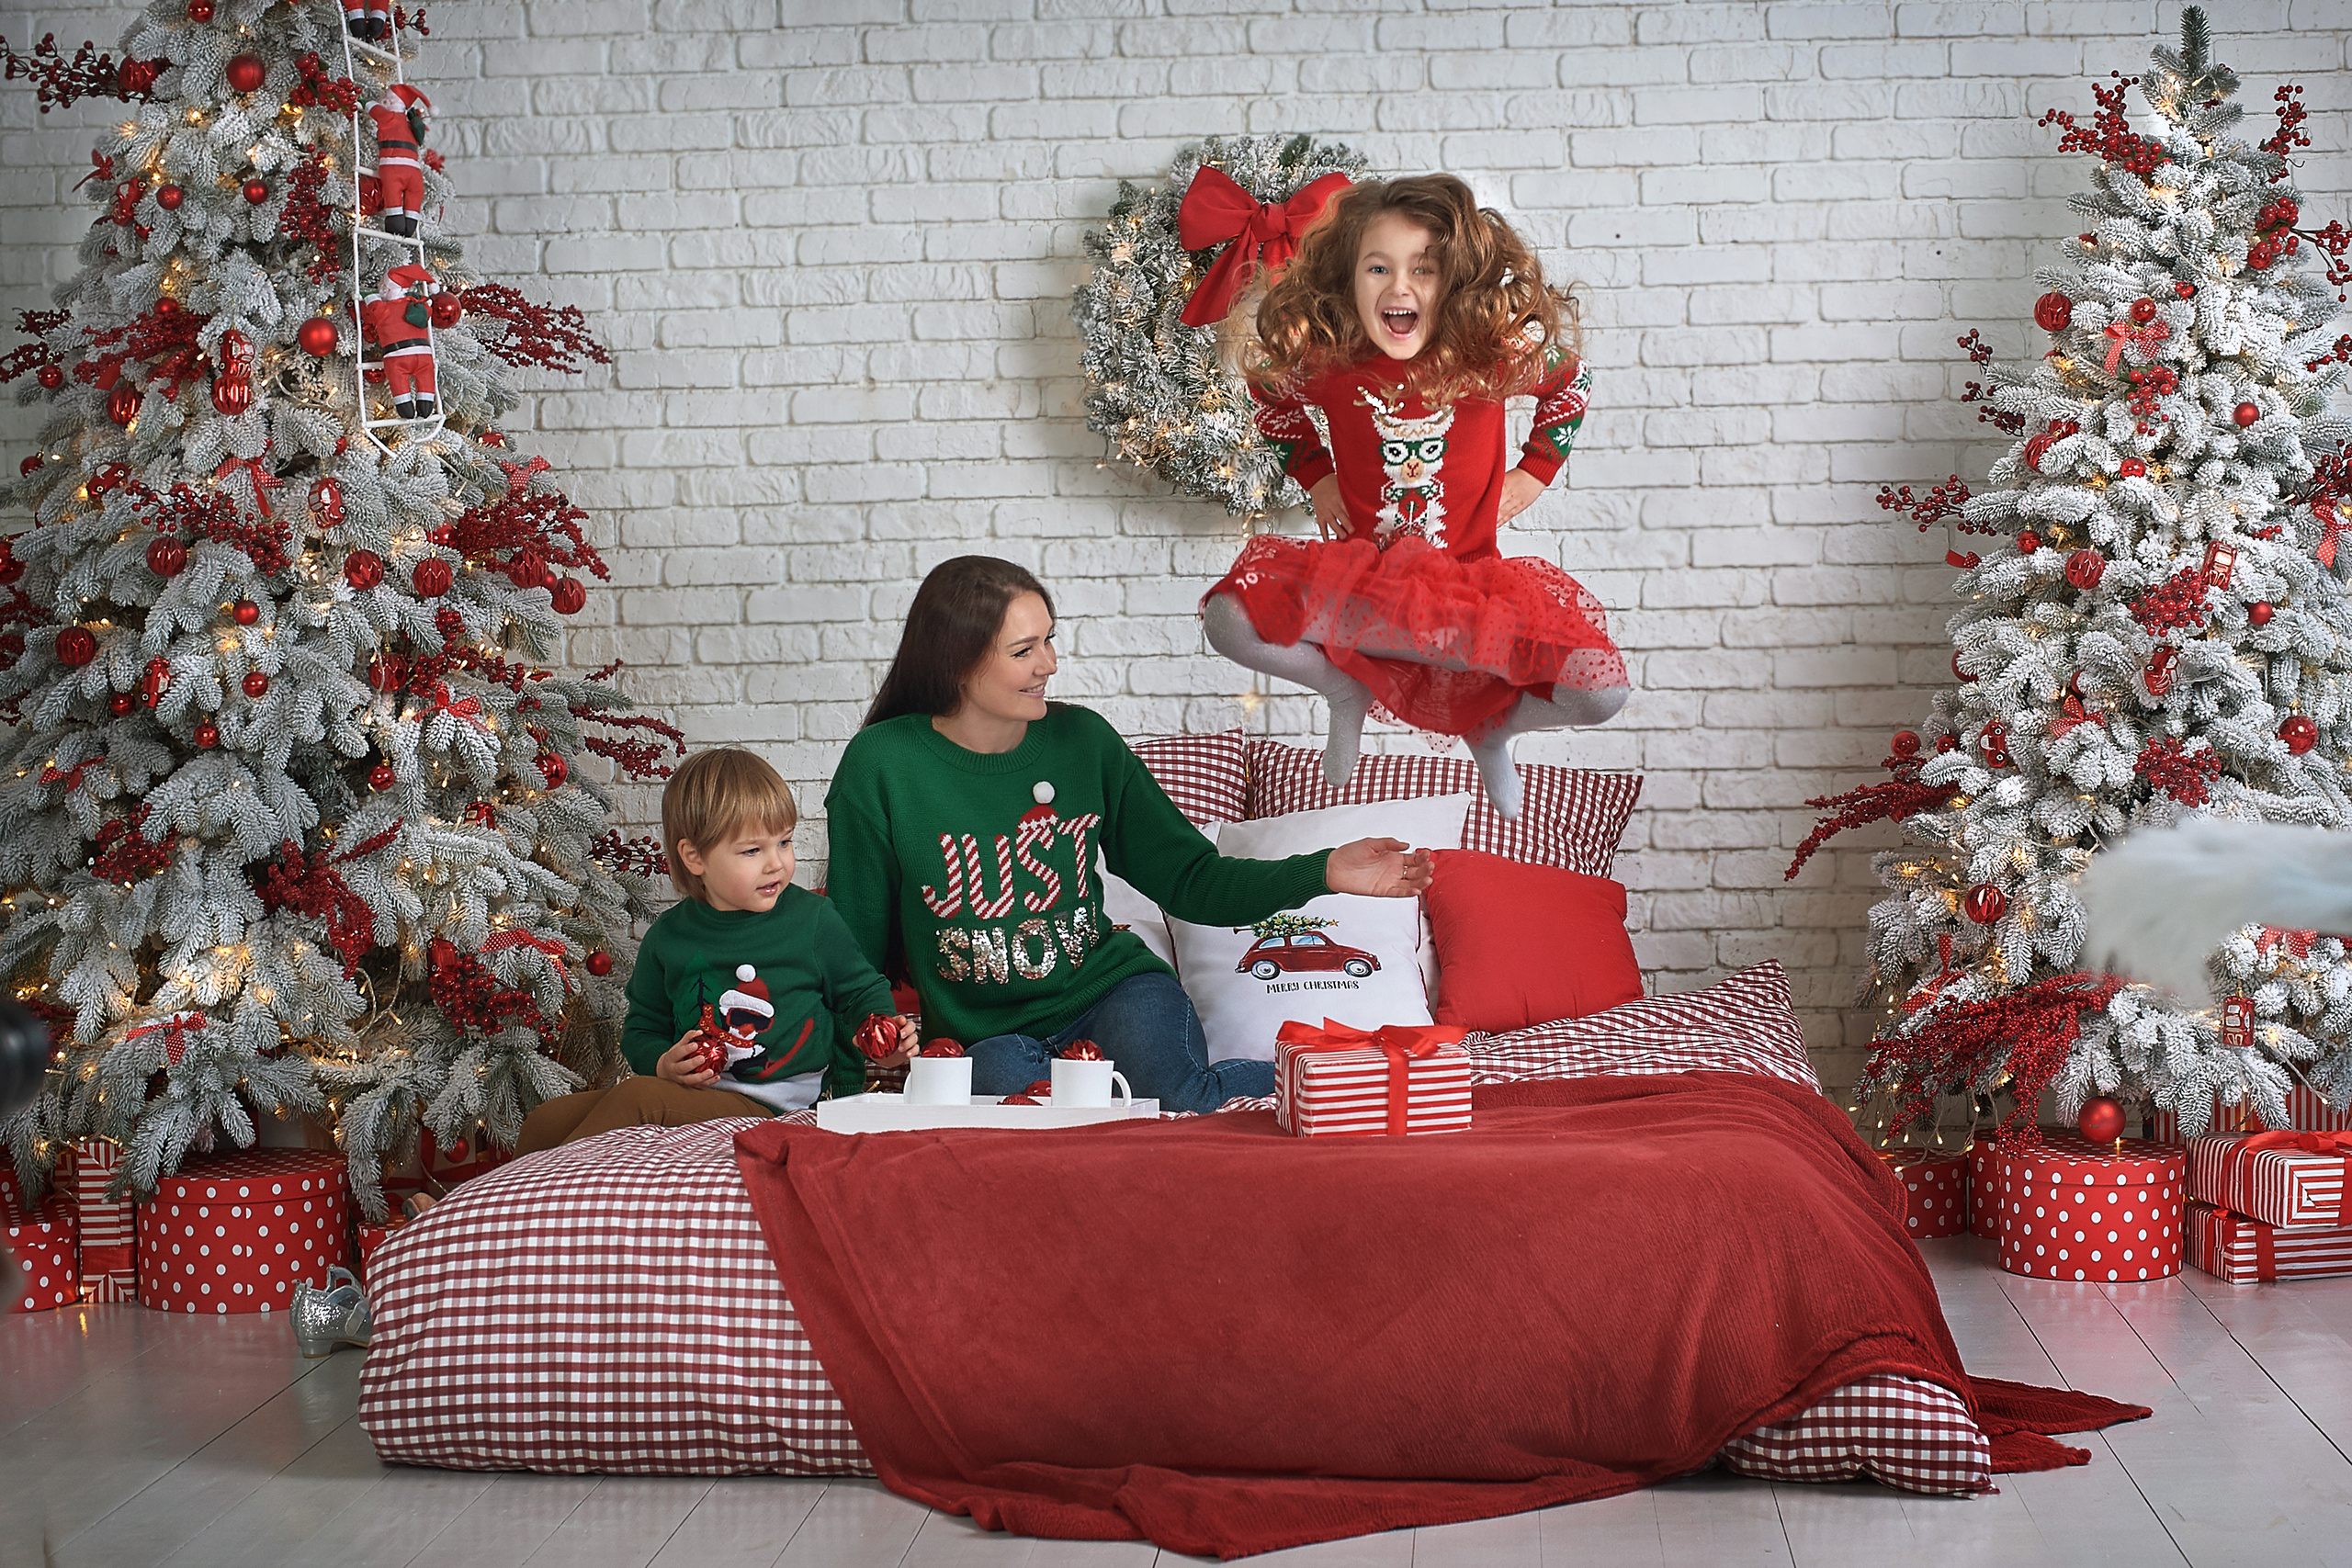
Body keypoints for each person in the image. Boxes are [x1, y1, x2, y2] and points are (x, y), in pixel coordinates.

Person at [826, 556, 1431, 1114]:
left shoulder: (1083, 742)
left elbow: (1192, 879)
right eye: (1024, 650)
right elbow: (855, 953)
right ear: (956, 661)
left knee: (1176, 1096)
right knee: (1002, 1103)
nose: (1050, 664)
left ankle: (1357, 1072)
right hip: (988, 1035)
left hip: (1113, 993)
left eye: (1049, 640)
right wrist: (842, 1099)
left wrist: (1322, 872)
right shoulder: (882, 766)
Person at [1201, 174, 1630, 818]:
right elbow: (1269, 391)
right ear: (1348, 279)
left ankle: (1493, 725)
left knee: (1601, 691)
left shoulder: (1488, 355)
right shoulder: (1330, 360)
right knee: (1227, 617)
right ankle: (1342, 683)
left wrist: (1534, 472)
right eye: (1378, 268)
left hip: (1465, 593)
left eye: (1423, 270)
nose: (1399, 287)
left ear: (1455, 280)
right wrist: (1316, 476)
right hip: (1362, 589)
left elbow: (1571, 381)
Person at [514, 749, 910, 1154]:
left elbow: (861, 990)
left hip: (777, 1105)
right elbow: (641, 1030)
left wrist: (888, 1038)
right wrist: (663, 1063)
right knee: (546, 1119)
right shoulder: (669, 937)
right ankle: (507, 1208)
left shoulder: (814, 920)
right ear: (695, 857)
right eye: (752, 851)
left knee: (638, 1100)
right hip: (701, 1096)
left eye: (784, 842)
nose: (777, 863)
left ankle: (546, 1194)